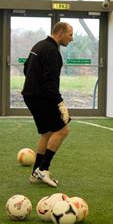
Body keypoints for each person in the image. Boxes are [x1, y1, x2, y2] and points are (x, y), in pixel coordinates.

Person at [22, 22, 73, 188]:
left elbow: (25, 68)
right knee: (62, 130)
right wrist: (61, 105)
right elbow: (50, 84)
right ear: (60, 33)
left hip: (31, 95)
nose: (71, 39)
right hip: (41, 97)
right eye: (70, 35)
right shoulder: (52, 52)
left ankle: (36, 172)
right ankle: (43, 169)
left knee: (47, 132)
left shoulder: (39, 45)